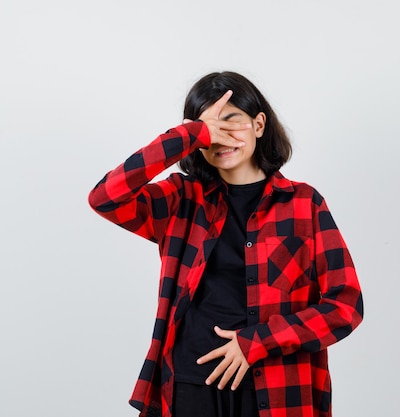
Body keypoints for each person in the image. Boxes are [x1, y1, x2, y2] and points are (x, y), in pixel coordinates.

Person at [88, 71, 364, 417]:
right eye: (209, 128)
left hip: (276, 389)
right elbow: (105, 197)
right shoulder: (181, 200)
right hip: (190, 384)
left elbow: (346, 306)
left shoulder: (303, 204)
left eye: (232, 122)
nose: (221, 138)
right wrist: (187, 135)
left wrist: (256, 342)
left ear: (259, 125)